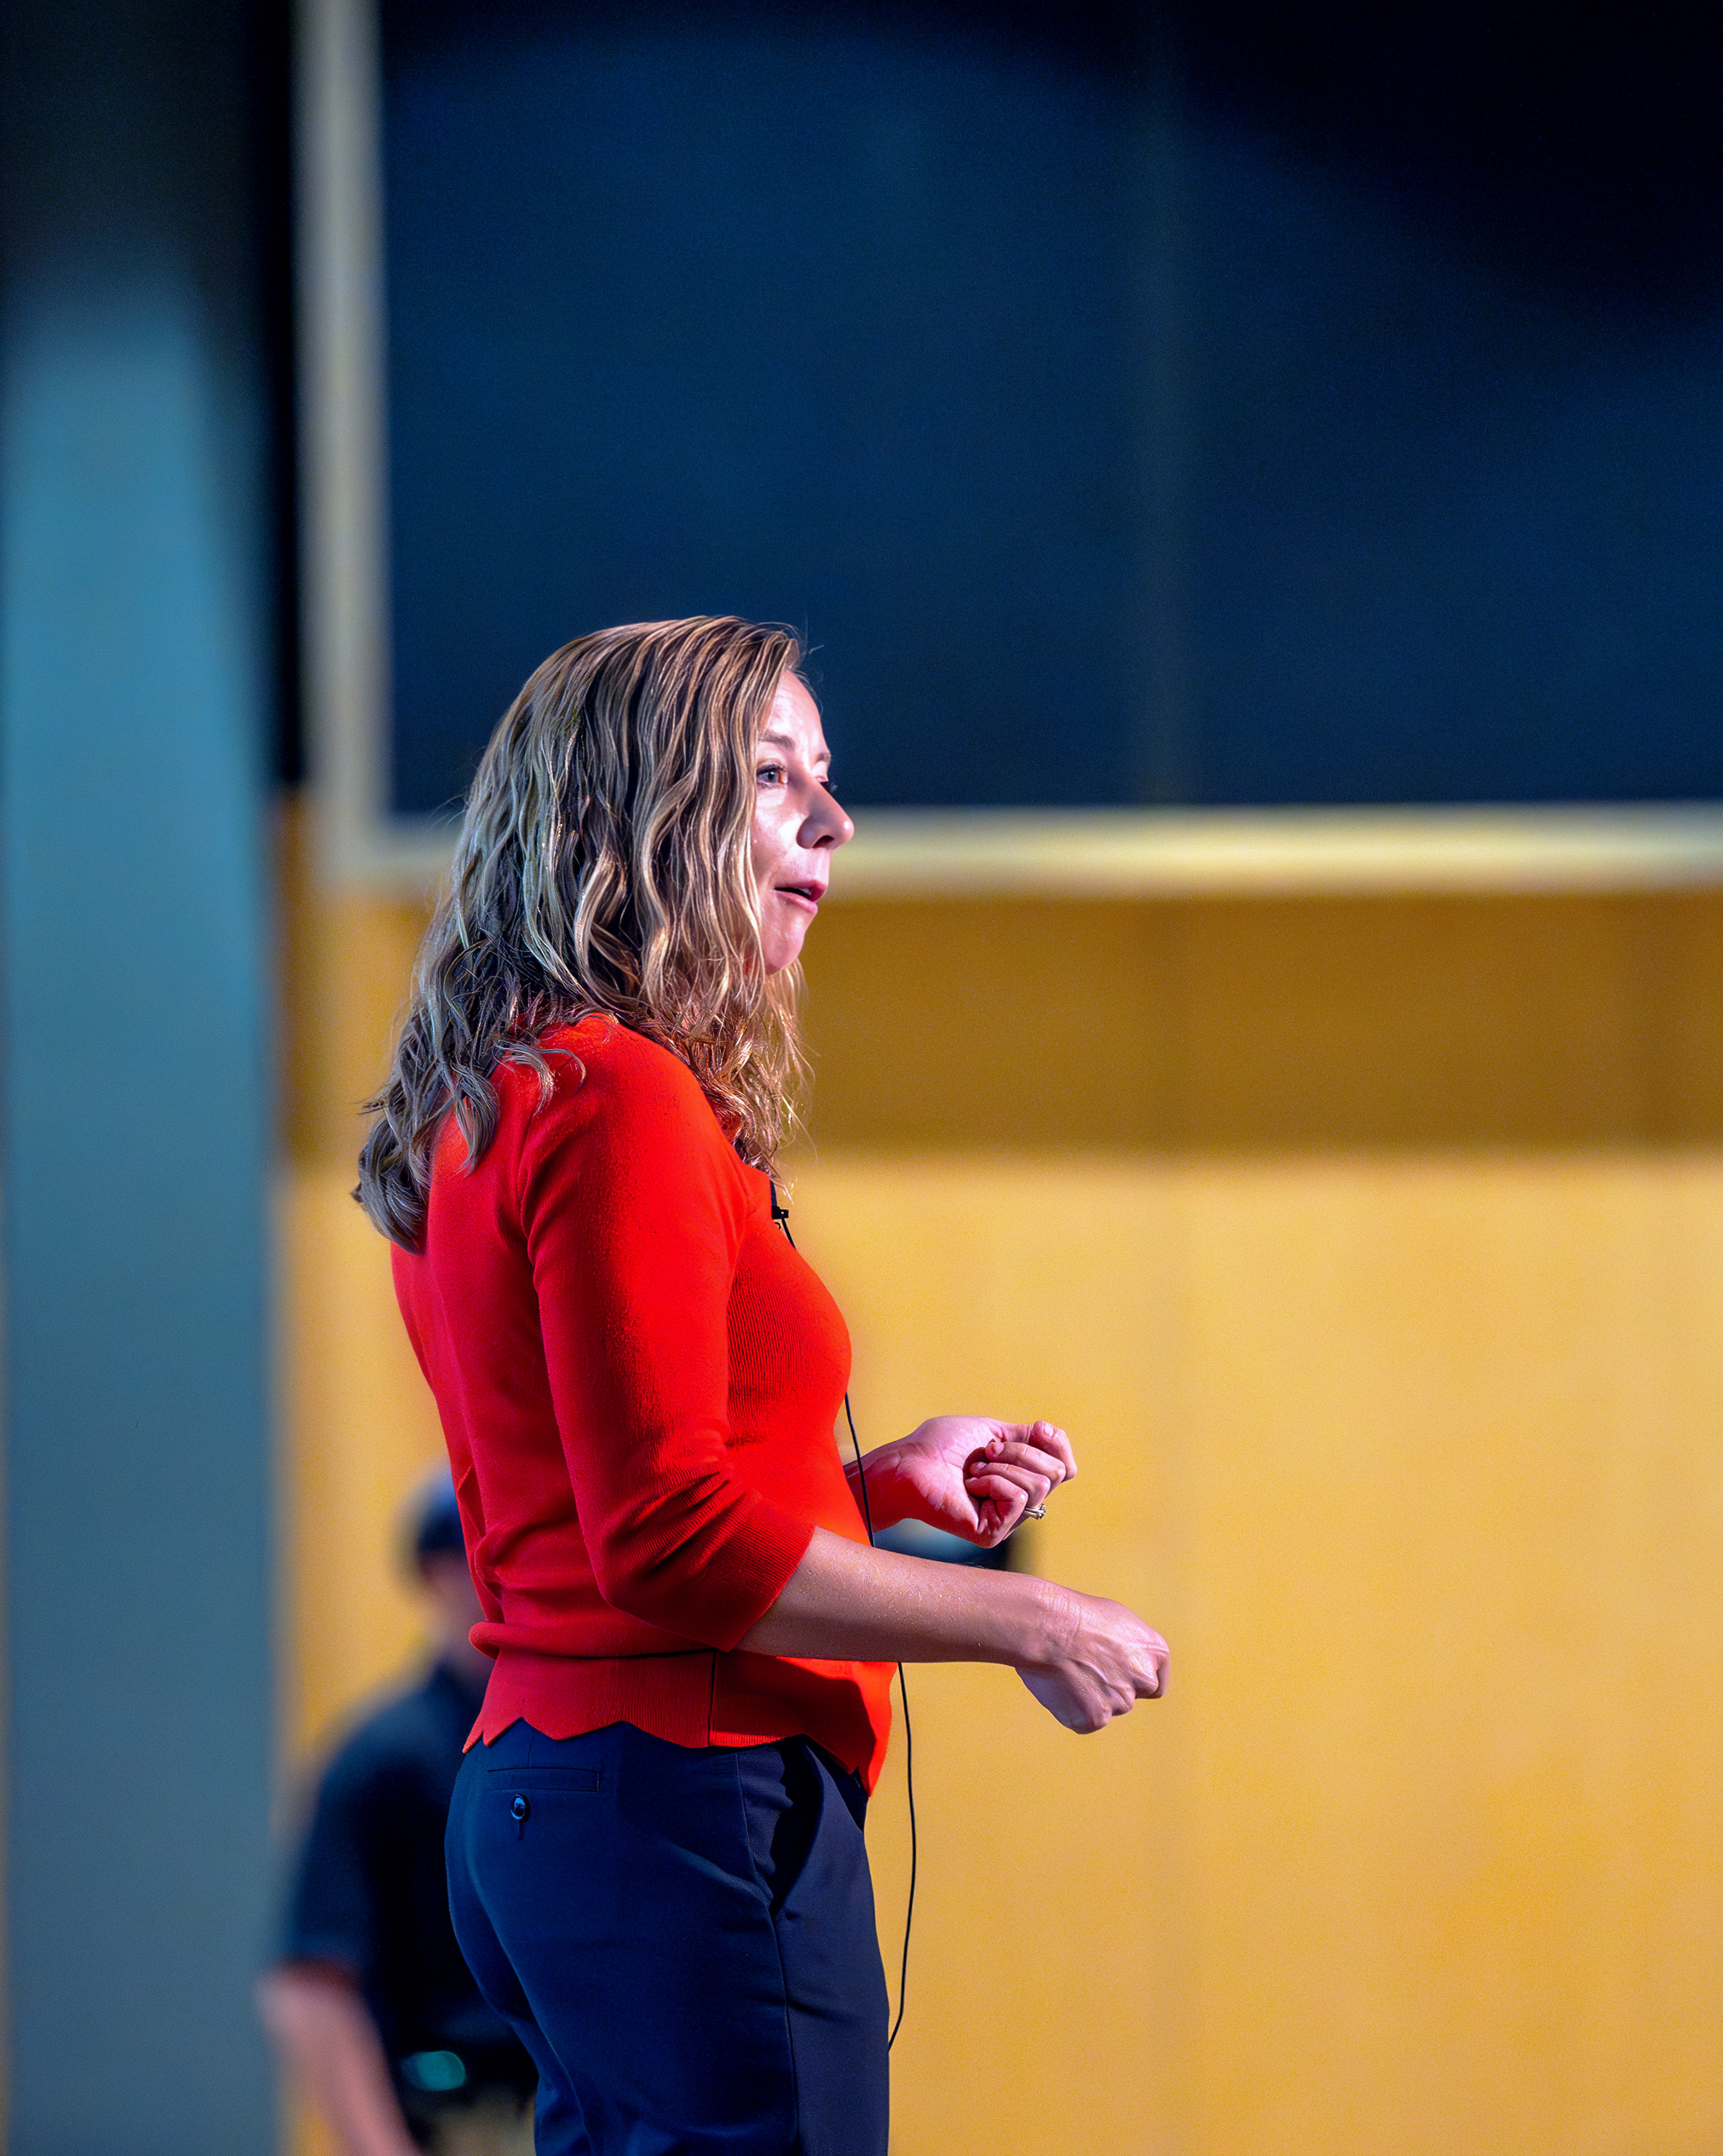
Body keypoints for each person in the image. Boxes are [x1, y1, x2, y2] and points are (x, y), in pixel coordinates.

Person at [356, 615, 1171, 2156]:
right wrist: (1030, 1619)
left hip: (562, 1804)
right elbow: (660, 1542)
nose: (832, 819)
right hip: (683, 1811)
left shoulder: (496, 1093)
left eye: (828, 777)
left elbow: (593, 1509)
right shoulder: (619, 1097)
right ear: (629, 813)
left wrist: (869, 1491)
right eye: (769, 777)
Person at [262, 1474, 542, 2156]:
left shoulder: (577, 1743)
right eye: (475, 1554)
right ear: (434, 1571)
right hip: (457, 2118)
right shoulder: (386, 1758)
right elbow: (312, 1983)